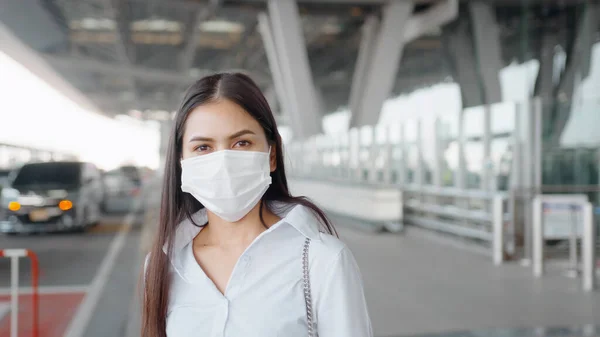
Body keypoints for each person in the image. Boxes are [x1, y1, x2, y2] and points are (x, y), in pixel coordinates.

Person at [142, 73, 373, 337]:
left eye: (241, 143)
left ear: (271, 156)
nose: (224, 163)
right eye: (203, 147)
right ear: (182, 162)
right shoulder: (162, 265)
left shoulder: (323, 261)